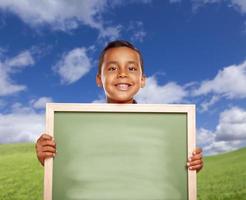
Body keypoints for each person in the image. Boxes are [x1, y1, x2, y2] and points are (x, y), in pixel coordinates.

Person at [35, 40, 203, 172]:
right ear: (99, 80)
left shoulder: (162, 128)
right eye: (113, 68)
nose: (122, 73)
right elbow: (73, 169)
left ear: (142, 80)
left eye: (131, 68)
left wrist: (191, 164)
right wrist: (47, 159)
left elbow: (167, 168)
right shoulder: (82, 127)